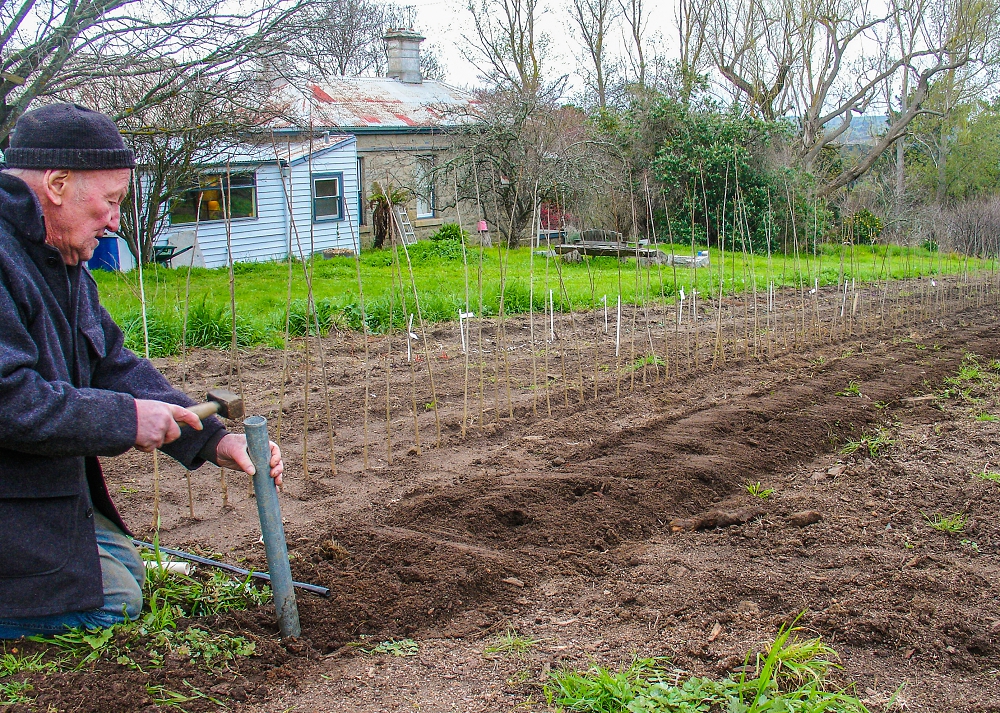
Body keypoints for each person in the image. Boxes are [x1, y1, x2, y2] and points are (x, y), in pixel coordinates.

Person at [0, 103, 283, 639]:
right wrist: (125, 419)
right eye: (109, 203)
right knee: (111, 605)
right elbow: (9, 400)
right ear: (57, 184)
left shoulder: (57, 258)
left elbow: (110, 362)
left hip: (38, 492)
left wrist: (215, 441)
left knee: (122, 577)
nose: (113, 224)